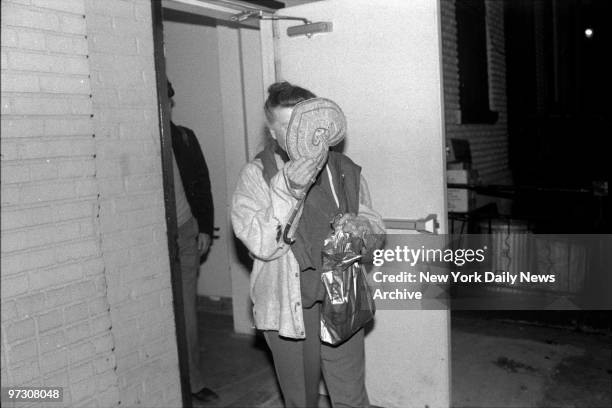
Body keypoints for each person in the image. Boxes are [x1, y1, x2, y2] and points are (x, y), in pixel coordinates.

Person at [231, 81, 385, 408]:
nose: (295, 133)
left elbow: (374, 227)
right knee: (301, 401)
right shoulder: (256, 176)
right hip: (286, 310)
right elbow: (261, 244)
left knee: (352, 399)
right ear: (272, 132)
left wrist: (362, 229)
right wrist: (288, 190)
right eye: (285, 125)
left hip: (340, 302)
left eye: (302, 122)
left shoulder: (344, 171)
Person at [167, 80, 218, 403]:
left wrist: (204, 228)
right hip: (152, 238)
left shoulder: (184, 138)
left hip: (186, 230)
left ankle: (194, 382)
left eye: (167, 100)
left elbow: (202, 184)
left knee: (187, 309)